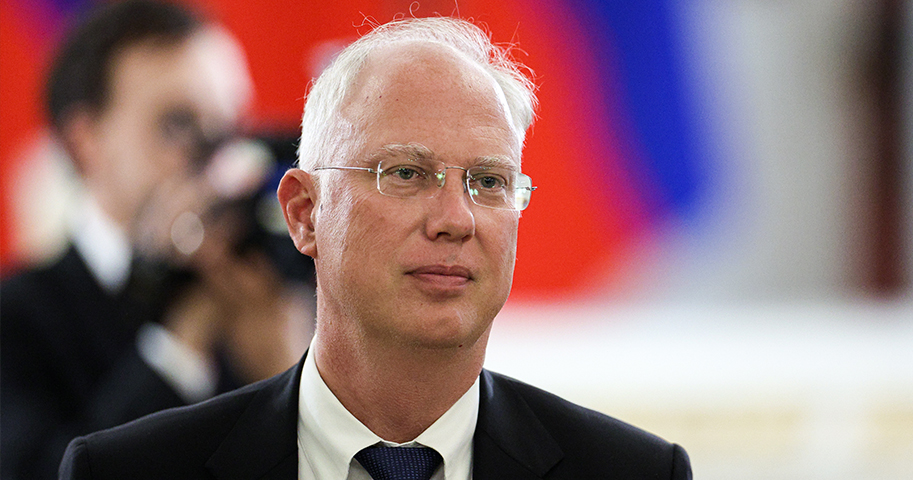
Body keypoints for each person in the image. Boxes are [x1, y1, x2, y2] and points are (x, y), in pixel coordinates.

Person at [58, 16, 692, 480]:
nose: (456, 219)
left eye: (489, 182)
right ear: (304, 214)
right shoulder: (126, 472)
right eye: (406, 173)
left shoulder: (634, 473)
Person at [0, 2, 313, 479]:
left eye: (230, 125)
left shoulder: (285, 285)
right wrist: (180, 347)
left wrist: (296, 382)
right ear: (86, 143)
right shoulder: (18, 318)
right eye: (177, 125)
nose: (216, 156)